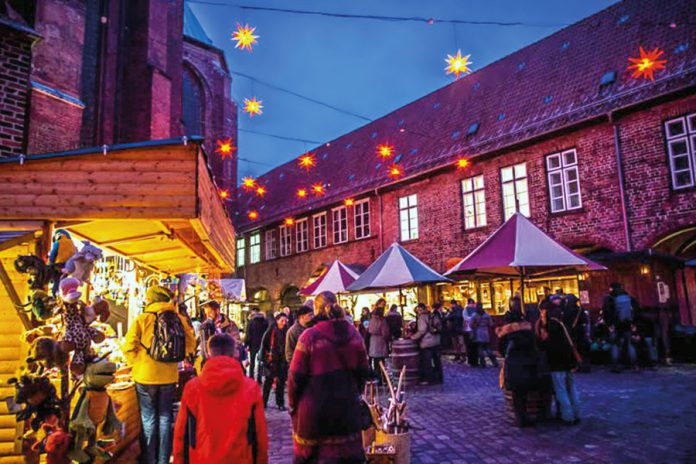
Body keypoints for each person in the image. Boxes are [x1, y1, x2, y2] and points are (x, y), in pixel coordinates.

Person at [288, 291, 370, 463]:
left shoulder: (309, 337)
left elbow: (295, 377)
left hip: (314, 410)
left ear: (317, 309)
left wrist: (293, 405)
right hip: (346, 408)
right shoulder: (354, 334)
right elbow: (363, 372)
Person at [123, 285, 196, 464]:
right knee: (164, 418)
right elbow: (191, 344)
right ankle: (163, 460)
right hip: (169, 376)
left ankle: (150, 459)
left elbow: (128, 346)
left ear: (151, 299)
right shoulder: (178, 318)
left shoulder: (142, 319)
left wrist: (137, 361)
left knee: (149, 419)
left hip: (145, 375)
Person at [173, 334, 269, 464]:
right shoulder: (251, 389)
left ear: (208, 353)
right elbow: (260, 438)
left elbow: (181, 437)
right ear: (235, 353)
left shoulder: (193, 388)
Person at [536, 295, 581, 425]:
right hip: (568, 359)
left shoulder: (549, 325)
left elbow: (546, 344)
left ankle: (568, 417)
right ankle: (576, 413)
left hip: (556, 361)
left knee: (561, 389)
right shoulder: (562, 321)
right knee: (571, 388)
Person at [496, 308, 540, 427]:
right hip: (528, 363)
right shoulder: (527, 329)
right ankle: (526, 416)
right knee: (525, 392)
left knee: (517, 394)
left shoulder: (506, 332)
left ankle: (520, 418)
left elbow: (500, 349)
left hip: (514, 364)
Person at [602, 282, 638, 372]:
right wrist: (633, 323)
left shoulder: (609, 298)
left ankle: (616, 366)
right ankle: (634, 365)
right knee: (630, 344)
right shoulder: (629, 297)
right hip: (628, 323)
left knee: (615, 345)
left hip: (615, 324)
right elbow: (636, 309)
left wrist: (609, 324)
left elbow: (606, 312)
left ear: (611, 288)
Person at [260, 313, 289, 410]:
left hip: (282, 360)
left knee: (281, 383)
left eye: (285, 321)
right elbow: (264, 345)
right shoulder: (271, 331)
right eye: (282, 321)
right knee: (268, 382)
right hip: (271, 360)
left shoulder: (286, 330)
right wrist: (263, 359)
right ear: (277, 321)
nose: (284, 323)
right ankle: (263, 402)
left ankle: (280, 403)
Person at [411, 303, 443, 385]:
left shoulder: (422, 317)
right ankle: (439, 378)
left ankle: (430, 379)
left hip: (427, 343)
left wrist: (413, 337)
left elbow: (422, 331)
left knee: (427, 362)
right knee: (437, 361)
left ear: (420, 309)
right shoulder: (433, 315)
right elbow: (439, 326)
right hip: (436, 341)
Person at [563, 294, 590, 372]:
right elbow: (584, 320)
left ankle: (575, 365)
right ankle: (583, 366)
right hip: (580, 330)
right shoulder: (580, 309)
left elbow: (565, 320)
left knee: (573, 348)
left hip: (570, 331)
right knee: (581, 348)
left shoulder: (566, 310)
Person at [367, 304, 391, 383]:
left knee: (376, 361)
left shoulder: (371, 320)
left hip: (373, 341)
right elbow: (385, 333)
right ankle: (382, 378)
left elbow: (369, 330)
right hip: (380, 342)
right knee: (381, 362)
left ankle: (377, 377)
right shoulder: (382, 321)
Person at [245, 308, 269, 381]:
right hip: (262, 344)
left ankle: (251, 376)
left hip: (253, 344)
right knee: (261, 361)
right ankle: (259, 378)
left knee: (252, 361)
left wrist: (247, 344)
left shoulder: (251, 322)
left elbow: (248, 334)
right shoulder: (265, 322)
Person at [471, 303, 498, 368]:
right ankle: (494, 362)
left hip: (478, 332)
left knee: (480, 348)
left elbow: (471, 325)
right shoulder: (487, 315)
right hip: (485, 332)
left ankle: (482, 363)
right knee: (488, 348)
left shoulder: (474, 315)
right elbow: (491, 324)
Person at [463, 299, 478, 366]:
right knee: (470, 346)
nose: (472, 305)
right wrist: (473, 318)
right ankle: (471, 361)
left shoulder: (474, 310)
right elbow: (465, 318)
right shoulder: (466, 310)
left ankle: (474, 361)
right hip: (469, 329)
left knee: (473, 346)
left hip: (472, 329)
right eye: (471, 303)